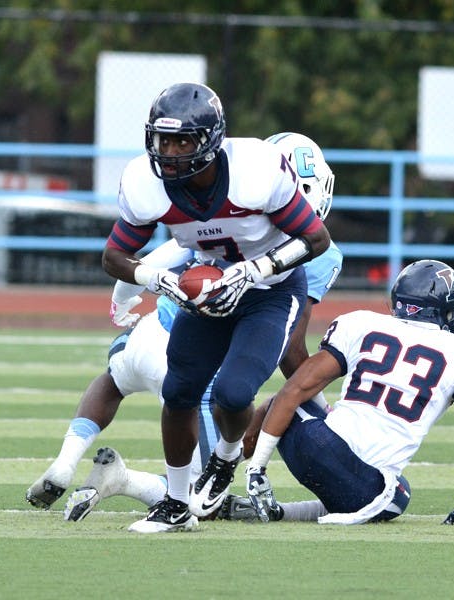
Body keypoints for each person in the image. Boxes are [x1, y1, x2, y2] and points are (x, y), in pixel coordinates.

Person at [25, 131, 342, 523]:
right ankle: (131, 483)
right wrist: (320, 409)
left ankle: (66, 459)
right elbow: (291, 353)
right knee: (206, 493)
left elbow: (168, 251)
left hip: (148, 330)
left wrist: (126, 292)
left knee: (118, 381)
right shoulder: (238, 195)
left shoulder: (217, 193)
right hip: (195, 332)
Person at [102, 82, 332, 533]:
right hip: (206, 289)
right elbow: (114, 256)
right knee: (179, 393)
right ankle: (173, 503)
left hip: (271, 291)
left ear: (210, 140)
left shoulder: (256, 171)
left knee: (233, 394)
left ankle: (225, 460)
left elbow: (315, 240)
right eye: (162, 140)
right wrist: (158, 278)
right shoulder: (146, 184)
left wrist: (254, 271)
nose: (168, 151)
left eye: (181, 140)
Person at [241, 259, 454, 526]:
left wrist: (258, 467)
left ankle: (229, 474)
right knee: (395, 496)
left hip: (322, 452)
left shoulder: (361, 324)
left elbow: (295, 388)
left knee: (281, 401)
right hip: (367, 485)